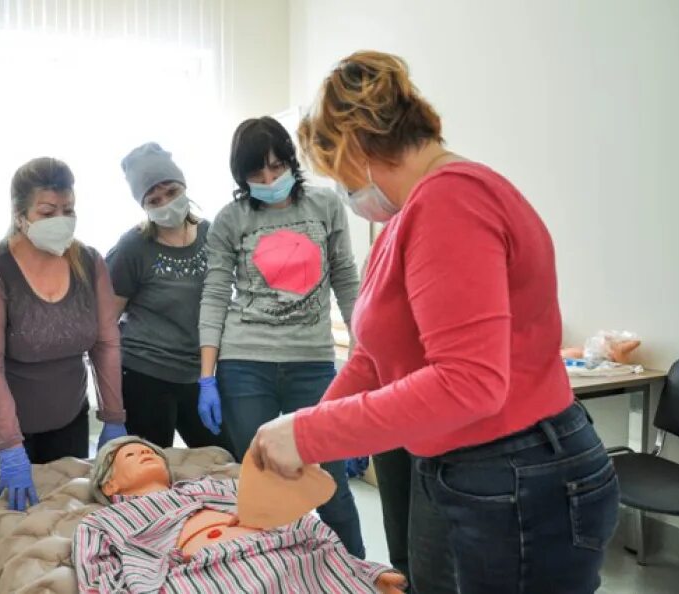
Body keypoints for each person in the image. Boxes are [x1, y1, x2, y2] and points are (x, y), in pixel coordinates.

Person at [250, 51, 621, 594]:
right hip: (460, 467)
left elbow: (470, 382)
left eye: (340, 175)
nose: (346, 193)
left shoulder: (452, 202)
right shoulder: (408, 216)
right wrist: (311, 434)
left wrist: (308, 432)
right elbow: (375, 359)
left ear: (357, 147)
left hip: (516, 471)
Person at [197, 116, 366, 558]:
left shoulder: (325, 205)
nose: (269, 179)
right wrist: (207, 376)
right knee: (262, 488)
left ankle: (360, 577)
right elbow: (215, 294)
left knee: (331, 488)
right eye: (257, 173)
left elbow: (346, 277)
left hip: (312, 362)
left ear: (292, 161)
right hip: (245, 363)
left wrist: (365, 348)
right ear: (242, 177)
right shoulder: (230, 220)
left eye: (276, 166)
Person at [0, 157, 127, 511]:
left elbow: (106, 344)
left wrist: (114, 419)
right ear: (20, 216)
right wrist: (8, 446)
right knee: (8, 528)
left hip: (66, 419)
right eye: (48, 212)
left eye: (68, 210)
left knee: (67, 520)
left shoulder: (90, 263)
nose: (61, 221)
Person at [74, 436, 407, 593]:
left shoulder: (213, 487)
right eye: (132, 454)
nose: (145, 452)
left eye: (150, 451)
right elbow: (96, 578)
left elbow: (297, 519)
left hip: (287, 556)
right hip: (202, 578)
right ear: (110, 483)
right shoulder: (101, 521)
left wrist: (359, 569)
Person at [106, 143, 227, 451]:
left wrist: (210, 377)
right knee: (150, 476)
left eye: (171, 192)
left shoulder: (212, 236)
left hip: (200, 375)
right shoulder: (132, 248)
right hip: (145, 374)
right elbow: (104, 325)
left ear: (184, 186)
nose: (166, 204)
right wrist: (110, 407)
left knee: (226, 461)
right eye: (154, 200)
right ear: (143, 205)